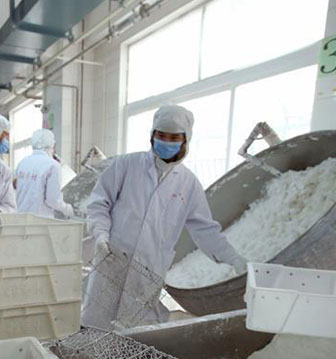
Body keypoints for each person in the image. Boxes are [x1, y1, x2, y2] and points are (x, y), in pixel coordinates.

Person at [82, 104, 246, 329]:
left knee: (135, 328)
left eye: (174, 137)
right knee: (96, 319)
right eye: (161, 136)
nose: (166, 142)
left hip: (149, 268)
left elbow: (206, 231)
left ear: (185, 140)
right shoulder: (125, 166)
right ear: (152, 136)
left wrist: (234, 259)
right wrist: (100, 234)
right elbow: (99, 204)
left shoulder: (188, 184)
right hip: (112, 257)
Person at [14, 129, 74, 218]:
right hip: (41, 221)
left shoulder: (22, 162)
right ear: (51, 145)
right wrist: (68, 210)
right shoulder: (53, 165)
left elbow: (17, 189)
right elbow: (52, 200)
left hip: (21, 217)